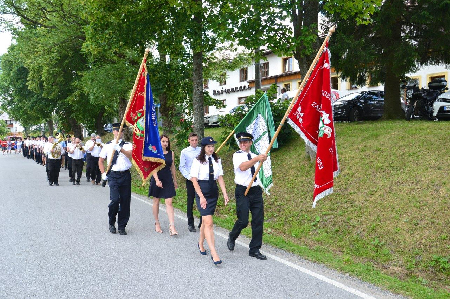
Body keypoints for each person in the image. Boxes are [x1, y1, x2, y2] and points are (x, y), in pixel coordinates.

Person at [227, 132, 268, 260]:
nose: (243, 144)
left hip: (255, 190)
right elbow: (243, 167)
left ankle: (254, 249)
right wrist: (257, 159)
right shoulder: (237, 155)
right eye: (241, 142)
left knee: (258, 220)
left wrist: (261, 159)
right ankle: (232, 236)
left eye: (245, 142)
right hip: (242, 191)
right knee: (243, 220)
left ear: (250, 143)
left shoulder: (256, 156)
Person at [190, 136, 229, 265]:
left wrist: (224, 193)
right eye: (208, 147)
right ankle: (214, 253)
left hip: (213, 191)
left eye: (212, 146)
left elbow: (220, 177)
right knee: (209, 223)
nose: (211, 149)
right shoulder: (198, 161)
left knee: (206, 222)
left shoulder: (217, 160)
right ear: (204, 148)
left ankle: (200, 243)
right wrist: (201, 196)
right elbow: (194, 179)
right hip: (202, 190)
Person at [99, 123, 133, 235]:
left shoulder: (128, 145)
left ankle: (122, 226)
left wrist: (120, 149)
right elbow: (101, 160)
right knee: (115, 200)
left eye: (121, 131)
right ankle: (111, 222)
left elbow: (130, 155)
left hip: (125, 175)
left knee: (125, 201)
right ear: (113, 132)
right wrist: (103, 173)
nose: (119, 133)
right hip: (113, 175)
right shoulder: (107, 145)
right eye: (117, 131)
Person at [148, 134, 178, 235]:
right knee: (156, 201)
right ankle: (157, 223)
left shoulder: (171, 153)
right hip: (157, 177)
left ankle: (172, 226)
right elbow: (153, 167)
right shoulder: (155, 153)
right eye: (163, 141)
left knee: (169, 202)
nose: (165, 143)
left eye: (167, 142)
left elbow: (172, 167)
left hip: (168, 178)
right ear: (159, 142)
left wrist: (175, 180)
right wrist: (156, 180)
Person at [179, 132, 202, 232]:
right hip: (191, 179)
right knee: (190, 200)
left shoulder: (201, 150)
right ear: (189, 140)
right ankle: (190, 223)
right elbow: (182, 166)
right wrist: (189, 177)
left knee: (202, 199)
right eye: (192, 140)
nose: (194, 142)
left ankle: (202, 221)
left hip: (201, 179)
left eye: (196, 140)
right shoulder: (185, 152)